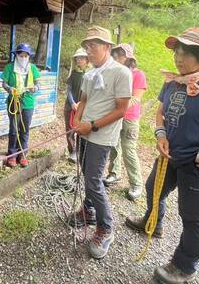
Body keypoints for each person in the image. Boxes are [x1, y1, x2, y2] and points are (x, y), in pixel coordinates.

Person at [125, 28, 199, 284]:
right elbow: (161, 112)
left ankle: (185, 266)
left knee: (192, 217)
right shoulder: (173, 81)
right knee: (153, 190)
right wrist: (161, 135)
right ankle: (153, 223)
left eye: (187, 52)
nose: (179, 58)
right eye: (177, 52)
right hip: (170, 156)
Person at [69, 26, 132, 260]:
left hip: (101, 136)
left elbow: (121, 110)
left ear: (106, 47)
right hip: (84, 131)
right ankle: (89, 210)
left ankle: (106, 229)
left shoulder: (120, 73)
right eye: (87, 46)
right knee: (87, 174)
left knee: (94, 180)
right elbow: (83, 100)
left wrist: (92, 125)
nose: (88, 50)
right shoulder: (89, 74)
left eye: (93, 46)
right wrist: (77, 120)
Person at [104, 43, 147, 200]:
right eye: (114, 55)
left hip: (129, 119)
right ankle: (114, 173)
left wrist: (119, 108)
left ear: (128, 58)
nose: (116, 58)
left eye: (120, 55)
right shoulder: (115, 73)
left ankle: (136, 184)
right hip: (116, 117)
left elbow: (136, 98)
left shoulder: (138, 75)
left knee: (128, 150)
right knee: (114, 146)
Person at [1, 43, 41, 168]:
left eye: (25, 55)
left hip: (28, 102)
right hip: (14, 101)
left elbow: (38, 83)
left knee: (25, 129)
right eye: (21, 55)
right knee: (13, 129)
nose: (23, 57)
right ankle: (11, 155)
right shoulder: (10, 67)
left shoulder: (32, 68)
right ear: (16, 55)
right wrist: (10, 89)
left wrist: (35, 88)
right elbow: (4, 83)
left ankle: (22, 154)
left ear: (29, 56)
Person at [64, 48, 91, 163]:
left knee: (80, 129)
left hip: (83, 107)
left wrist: (81, 104)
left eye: (81, 58)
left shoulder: (90, 74)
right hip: (70, 106)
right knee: (69, 129)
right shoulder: (73, 74)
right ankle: (72, 152)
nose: (79, 60)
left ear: (87, 59)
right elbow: (68, 90)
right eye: (77, 58)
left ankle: (80, 152)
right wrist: (73, 103)